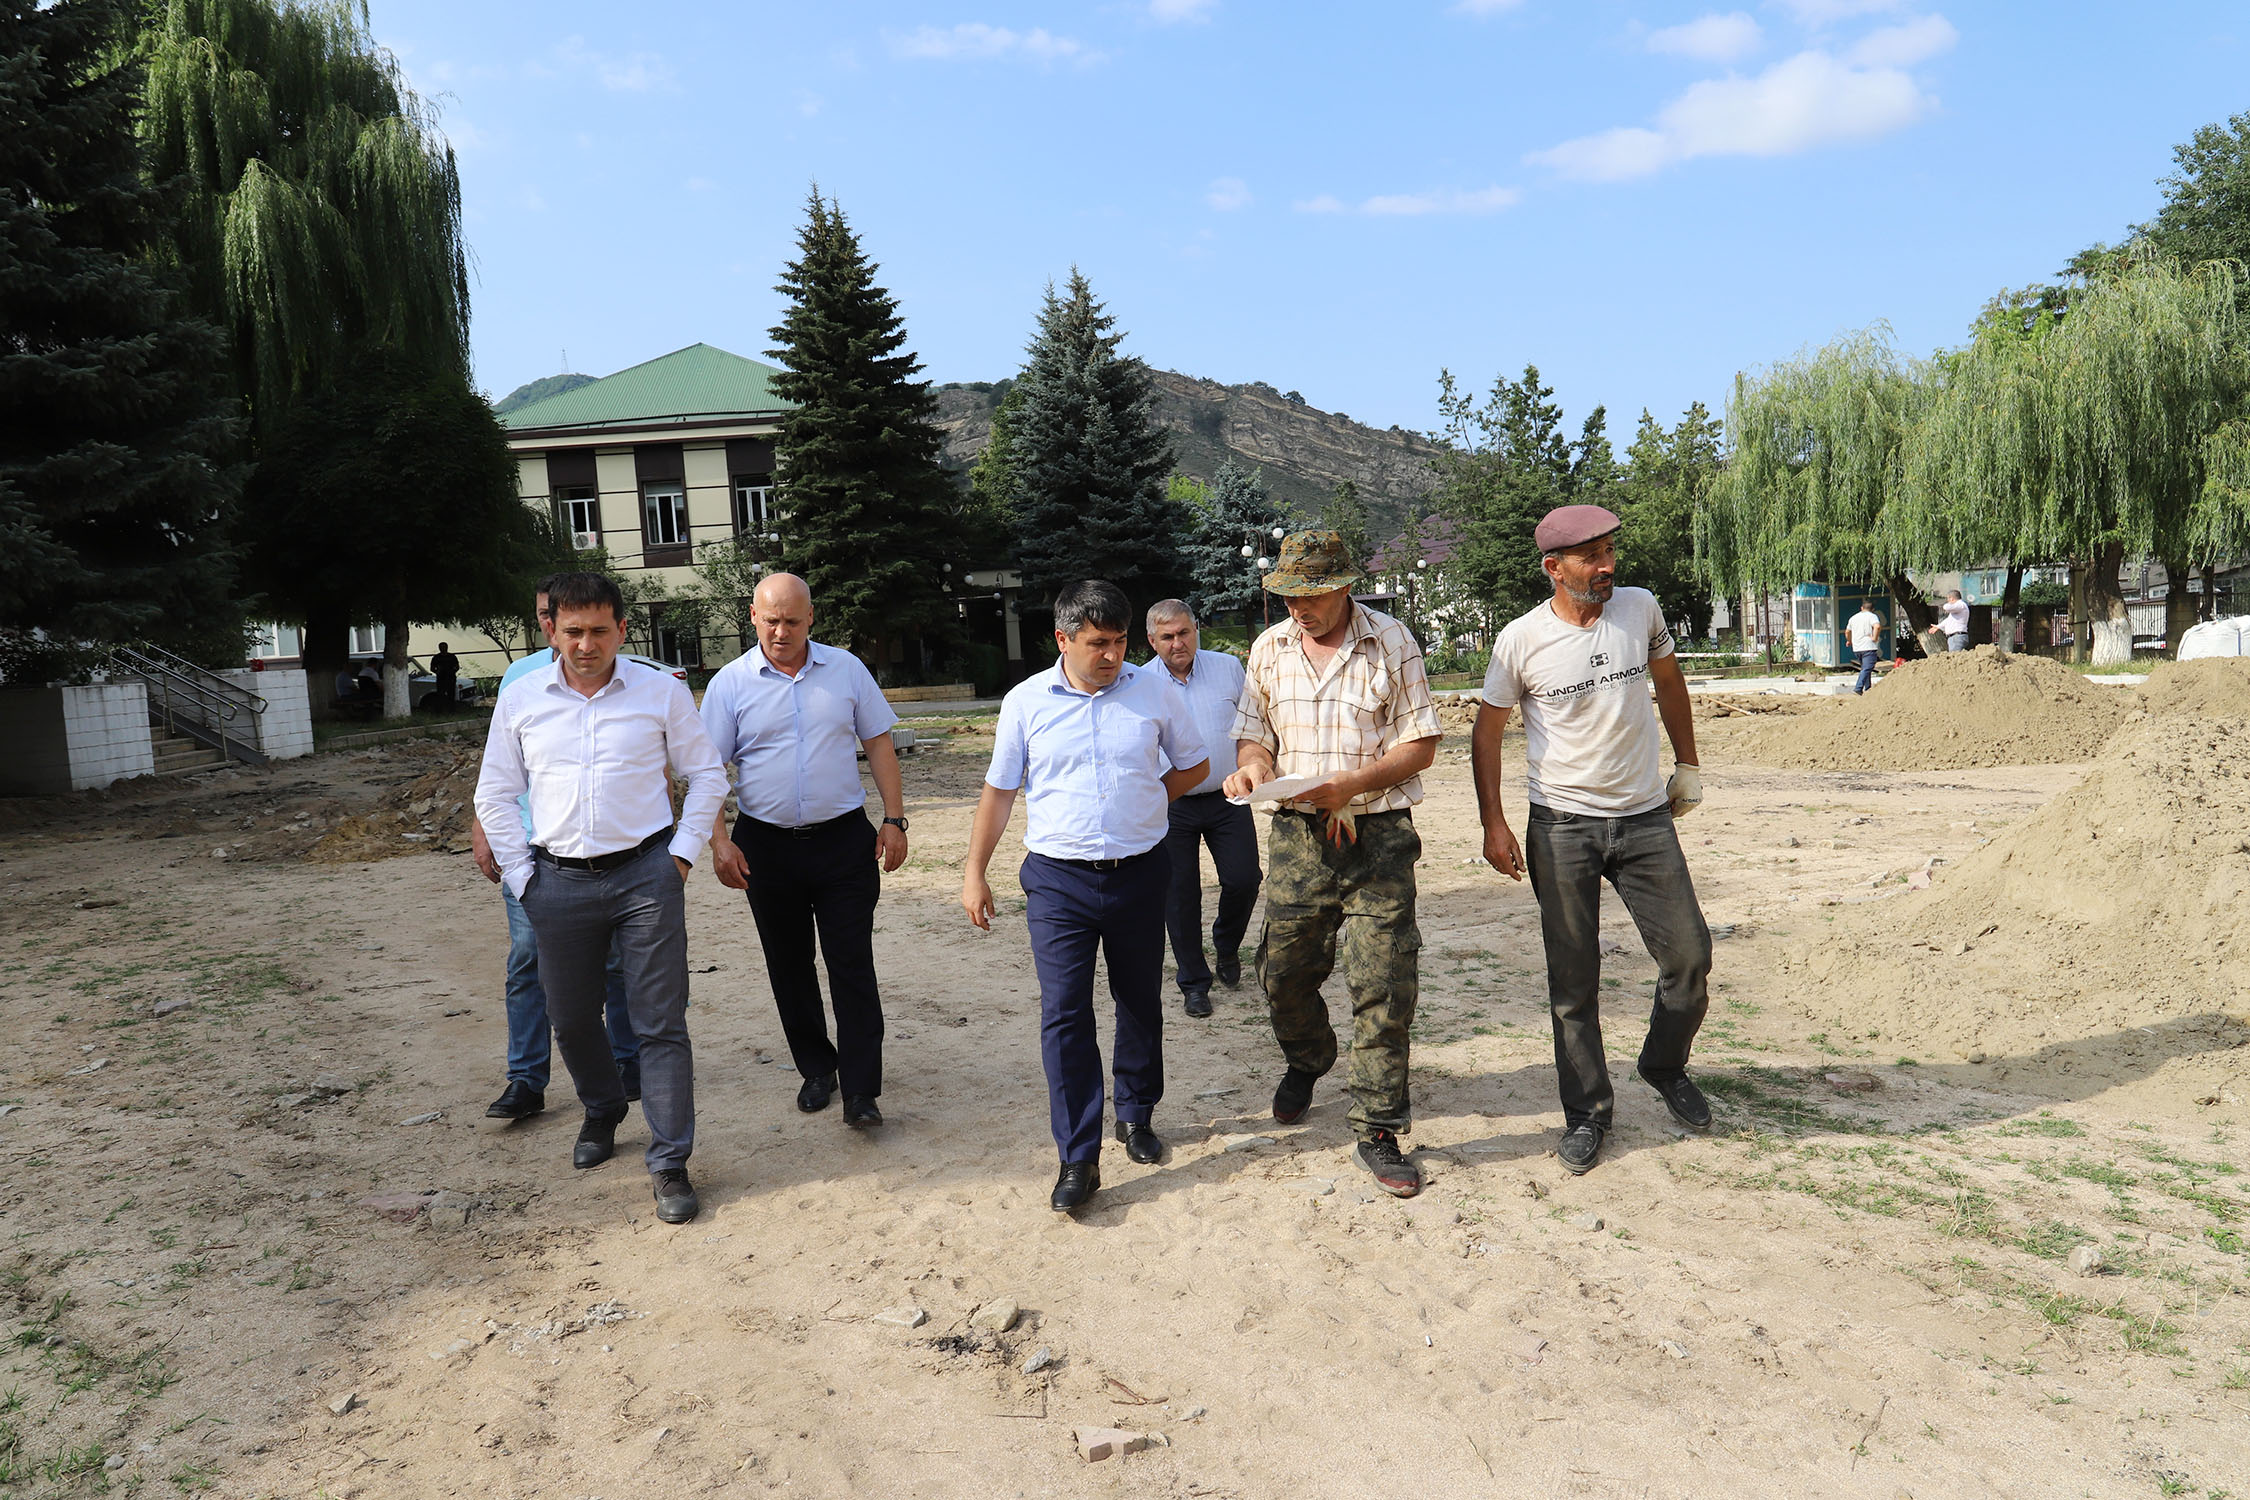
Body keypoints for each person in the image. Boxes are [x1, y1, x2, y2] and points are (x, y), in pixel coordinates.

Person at [474, 570, 727, 1225]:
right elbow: (495, 794)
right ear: (551, 629)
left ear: (622, 629)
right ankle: (604, 1105)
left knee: (659, 1022)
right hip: (555, 880)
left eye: (600, 631)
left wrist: (681, 855)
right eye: (574, 631)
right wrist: (523, 876)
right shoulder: (523, 699)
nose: (587, 644)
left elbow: (706, 775)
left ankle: (670, 1163)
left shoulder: (660, 693)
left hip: (646, 876)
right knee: (572, 1017)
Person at [1471, 504, 1715, 1178]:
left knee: (1690, 958)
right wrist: (1494, 822)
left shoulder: (1639, 608)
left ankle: (1664, 1065)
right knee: (1573, 982)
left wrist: (1688, 766)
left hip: (1644, 818)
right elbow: (1487, 732)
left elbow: (1668, 684)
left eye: (1610, 551)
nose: (1607, 566)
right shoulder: (1520, 640)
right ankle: (1587, 1114)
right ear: (1554, 568)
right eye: (1591, 556)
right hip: (1562, 826)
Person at [961, 580, 1208, 1213]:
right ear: (1063, 638)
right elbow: (1000, 791)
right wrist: (974, 871)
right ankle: (1078, 1155)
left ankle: (1135, 1112)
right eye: (1098, 643)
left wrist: (1149, 803)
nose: (1112, 654)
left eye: (1121, 641)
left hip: (1140, 871)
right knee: (1065, 1011)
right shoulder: (1025, 702)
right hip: (1058, 881)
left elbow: (1194, 765)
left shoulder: (1151, 690)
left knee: (1138, 998)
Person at [1223, 531, 1443, 1200]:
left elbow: (1422, 743)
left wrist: (1352, 786)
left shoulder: (1392, 641)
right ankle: (1310, 1056)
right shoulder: (1269, 649)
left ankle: (1377, 1126)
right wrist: (1253, 768)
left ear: (1344, 586)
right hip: (1297, 839)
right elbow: (1253, 734)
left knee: (1384, 980)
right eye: (1287, 596)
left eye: (1310, 595)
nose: (1297, 608)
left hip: (1377, 836)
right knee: (1282, 973)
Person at [702, 573, 908, 1130]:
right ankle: (817, 1069)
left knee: (851, 963)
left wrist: (893, 820)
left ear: (811, 618)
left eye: (793, 620)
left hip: (844, 842)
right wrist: (719, 841)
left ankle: (862, 1090)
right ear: (752, 616)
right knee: (788, 964)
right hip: (764, 847)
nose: (781, 631)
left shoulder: (846, 670)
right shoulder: (730, 684)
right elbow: (707, 770)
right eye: (771, 620)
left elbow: (879, 744)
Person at [471, 577, 642, 1123]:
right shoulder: (520, 681)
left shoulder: (627, 679)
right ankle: (526, 1078)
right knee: (528, 963)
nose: (563, 631)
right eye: (549, 617)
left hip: (607, 856)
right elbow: (499, 769)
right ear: (544, 622)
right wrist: (487, 831)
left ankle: (626, 1062)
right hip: (532, 855)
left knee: (615, 965)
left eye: (567, 617)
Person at [1145, 599, 1261, 1020]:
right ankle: (1194, 983)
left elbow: (1251, 722)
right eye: (1168, 637)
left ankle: (1226, 944)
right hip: (1172, 803)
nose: (1178, 643)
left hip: (1228, 796)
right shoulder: (1140, 682)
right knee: (1179, 896)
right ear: (1152, 641)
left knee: (1245, 879)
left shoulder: (1228, 667)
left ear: (1197, 630)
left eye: (1184, 633)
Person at [1846, 599, 1884, 694]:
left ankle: (1868, 689)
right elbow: (1877, 626)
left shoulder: (1853, 618)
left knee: (1865, 669)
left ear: (1862, 608)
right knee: (1867, 668)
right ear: (1873, 609)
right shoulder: (1872, 616)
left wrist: (1849, 640)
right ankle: (1858, 688)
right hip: (1869, 646)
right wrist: (1874, 638)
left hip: (1857, 648)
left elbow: (1847, 631)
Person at [431, 641, 460, 708]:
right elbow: (432, 668)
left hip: (451, 678)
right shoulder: (436, 657)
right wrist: (437, 672)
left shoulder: (452, 657)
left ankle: (451, 709)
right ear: (439, 648)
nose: (443, 649)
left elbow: (457, 666)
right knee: (440, 695)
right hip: (441, 678)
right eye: (442, 647)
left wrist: (452, 671)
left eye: (444, 647)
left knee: (451, 695)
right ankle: (441, 710)